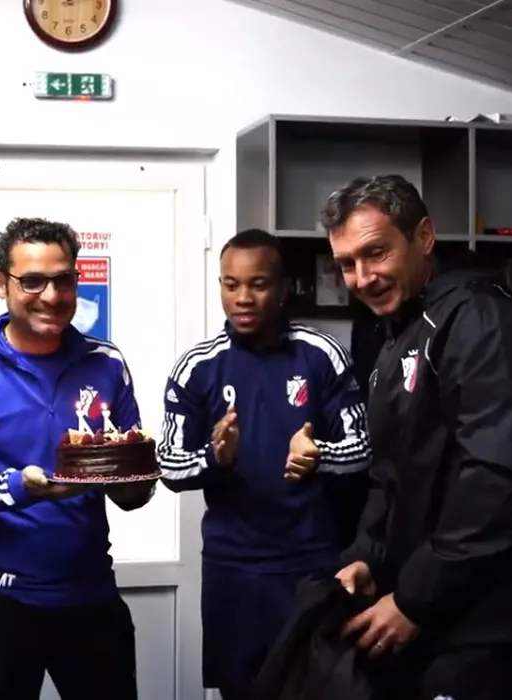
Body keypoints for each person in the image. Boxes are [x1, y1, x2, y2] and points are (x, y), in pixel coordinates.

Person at [321, 175, 512, 700]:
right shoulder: (395, 333)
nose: (363, 278)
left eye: (376, 253)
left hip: (497, 626)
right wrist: (369, 557)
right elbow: (390, 476)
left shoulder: (478, 317)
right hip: (441, 615)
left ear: (424, 237)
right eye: (347, 263)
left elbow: (497, 480)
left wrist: (415, 600)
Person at [0, 217, 153, 700]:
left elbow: (130, 492)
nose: (51, 295)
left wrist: (137, 479)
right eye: (33, 281)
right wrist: (19, 486)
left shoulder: (107, 363)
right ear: (1, 283)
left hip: (90, 596)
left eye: (63, 280)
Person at [156, 228, 371, 698]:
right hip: (234, 571)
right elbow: (169, 466)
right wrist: (215, 457)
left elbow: (363, 449)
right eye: (231, 284)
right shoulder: (197, 366)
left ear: (283, 287)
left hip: (312, 565)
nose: (243, 298)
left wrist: (318, 455)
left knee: (318, 690)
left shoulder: (323, 355)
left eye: (257, 284)